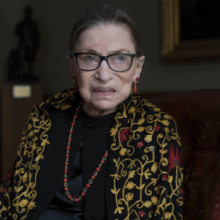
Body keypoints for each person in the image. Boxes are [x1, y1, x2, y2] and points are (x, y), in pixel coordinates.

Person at [0, 4, 183, 220]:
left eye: (120, 58)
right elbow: (10, 197)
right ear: (72, 66)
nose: (104, 74)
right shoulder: (45, 115)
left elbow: (169, 213)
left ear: (138, 68)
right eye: (89, 58)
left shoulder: (158, 129)